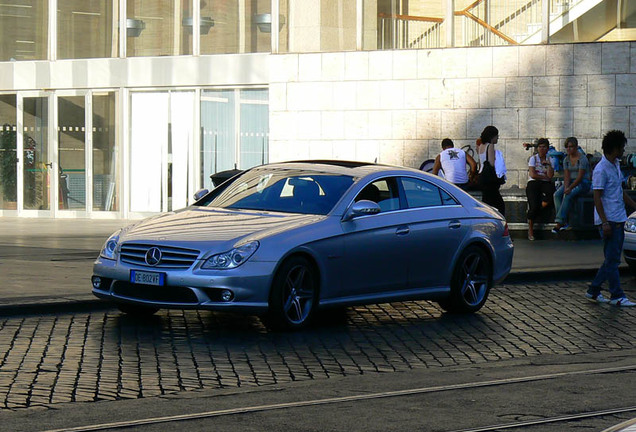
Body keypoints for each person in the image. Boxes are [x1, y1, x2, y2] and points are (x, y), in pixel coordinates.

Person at [587, 130, 636, 307]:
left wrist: (633, 206)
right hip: (610, 220)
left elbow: (619, 191)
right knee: (613, 259)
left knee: (611, 258)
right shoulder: (601, 169)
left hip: (618, 216)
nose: (623, 151)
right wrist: (604, 222)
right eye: (621, 148)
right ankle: (616, 294)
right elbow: (597, 197)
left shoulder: (615, 164)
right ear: (614, 148)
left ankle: (594, 290)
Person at [552, 137, 591, 233]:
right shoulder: (566, 159)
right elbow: (566, 175)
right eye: (567, 147)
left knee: (568, 195)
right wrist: (566, 187)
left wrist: (570, 188)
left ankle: (559, 222)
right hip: (570, 181)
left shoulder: (582, 159)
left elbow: (580, 177)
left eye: (571, 147)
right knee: (557, 194)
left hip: (583, 182)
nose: (569, 149)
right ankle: (562, 220)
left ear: (576, 147)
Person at [526, 138, 554, 241]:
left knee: (550, 196)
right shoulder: (533, 158)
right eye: (540, 147)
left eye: (544, 147)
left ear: (547, 149)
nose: (542, 149)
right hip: (534, 182)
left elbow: (550, 176)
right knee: (533, 204)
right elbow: (532, 174)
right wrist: (543, 177)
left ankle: (536, 210)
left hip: (545, 183)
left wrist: (549, 166)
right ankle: (530, 229)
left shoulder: (549, 159)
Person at [476, 126, 505, 215]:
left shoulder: (481, 146)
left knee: (487, 203)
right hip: (490, 180)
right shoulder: (490, 145)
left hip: (482, 176)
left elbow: (481, 163)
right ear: (492, 136)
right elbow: (491, 163)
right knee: (499, 205)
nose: (498, 138)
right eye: (497, 136)